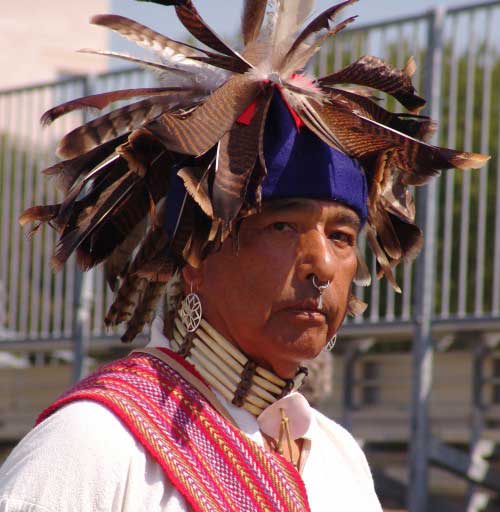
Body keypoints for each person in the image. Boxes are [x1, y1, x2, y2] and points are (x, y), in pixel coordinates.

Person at [0, 1, 488, 511]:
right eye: (282, 226)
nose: (322, 264)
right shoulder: (96, 444)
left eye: (342, 235)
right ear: (194, 256)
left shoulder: (337, 458)